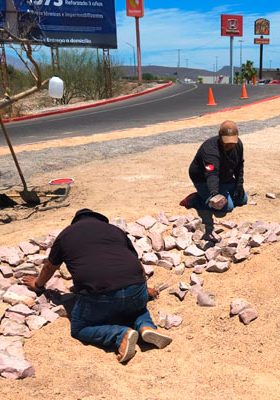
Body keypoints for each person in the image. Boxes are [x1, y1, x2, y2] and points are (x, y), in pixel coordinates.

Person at [22, 209, 171, 363]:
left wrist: (38, 284)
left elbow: (49, 267)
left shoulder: (66, 234)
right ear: (100, 220)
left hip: (101, 295)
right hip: (135, 286)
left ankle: (121, 335)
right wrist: (145, 290)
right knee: (138, 309)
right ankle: (146, 327)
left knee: (80, 328)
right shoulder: (116, 230)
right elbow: (137, 264)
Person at [180, 120, 248, 213]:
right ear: (220, 136)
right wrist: (214, 195)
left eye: (232, 142)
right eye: (227, 142)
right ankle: (195, 199)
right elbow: (212, 174)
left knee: (242, 200)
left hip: (224, 178)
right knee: (225, 207)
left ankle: (211, 195)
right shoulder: (210, 149)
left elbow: (239, 165)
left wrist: (239, 184)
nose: (230, 145)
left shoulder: (238, 144)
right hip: (204, 180)